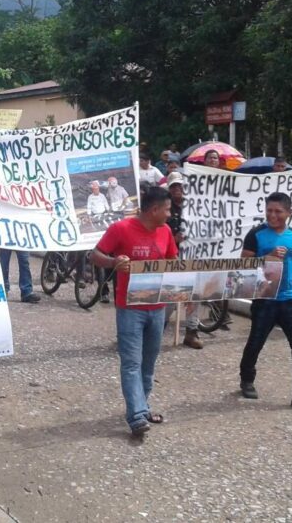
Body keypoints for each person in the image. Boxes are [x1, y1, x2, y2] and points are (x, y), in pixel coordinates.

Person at [91, 186, 179, 437]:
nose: (169, 214)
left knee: (148, 363)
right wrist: (114, 262)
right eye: (167, 209)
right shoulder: (121, 229)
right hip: (130, 309)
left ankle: (143, 405)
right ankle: (137, 415)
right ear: (154, 209)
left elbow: (173, 260)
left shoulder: (165, 231)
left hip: (158, 307)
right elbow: (95, 255)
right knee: (131, 362)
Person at [237, 192, 292, 413]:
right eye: (269, 211)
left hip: (289, 300)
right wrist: (269, 257)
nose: (272, 215)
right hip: (264, 299)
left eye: (278, 211)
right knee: (256, 341)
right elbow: (243, 264)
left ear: (289, 213)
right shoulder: (256, 234)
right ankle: (247, 379)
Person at [164, 172, 204, 349]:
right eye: (173, 186)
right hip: (172, 258)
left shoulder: (195, 206)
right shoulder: (165, 208)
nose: (177, 189)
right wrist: (173, 239)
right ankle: (158, 328)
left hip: (194, 256)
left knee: (194, 295)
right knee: (171, 295)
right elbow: (158, 232)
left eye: (180, 185)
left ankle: (191, 332)